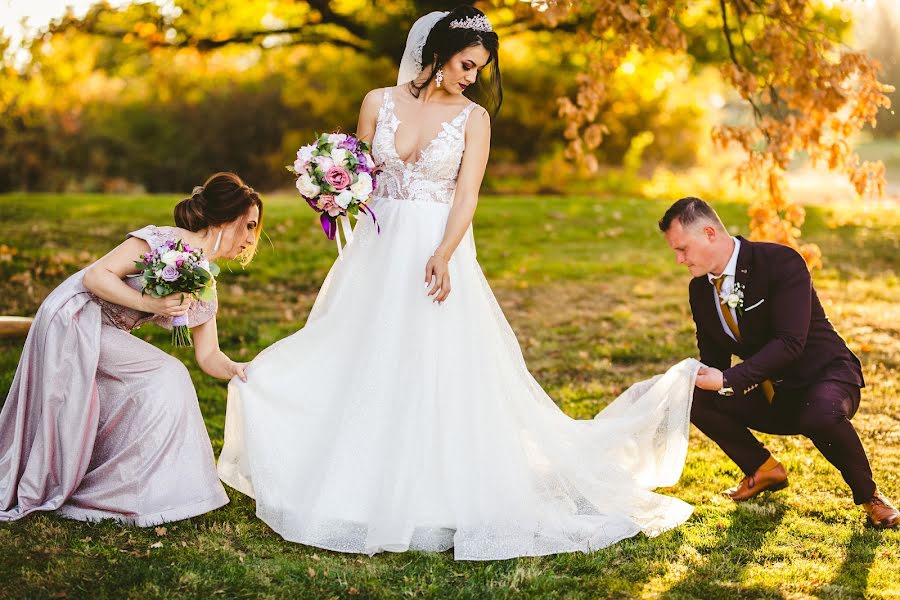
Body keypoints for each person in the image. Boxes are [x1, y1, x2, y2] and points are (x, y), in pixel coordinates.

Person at [217, 7, 699, 560]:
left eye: (479, 70)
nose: (472, 77)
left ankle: (430, 490)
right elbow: (356, 172)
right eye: (467, 65)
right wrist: (331, 191)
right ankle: (348, 475)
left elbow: (467, 194)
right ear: (439, 53)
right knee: (360, 351)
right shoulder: (378, 102)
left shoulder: (474, 120)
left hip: (437, 245)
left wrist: (444, 252)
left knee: (433, 363)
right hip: (377, 248)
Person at [0, 171, 262, 526]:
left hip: (106, 329)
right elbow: (95, 276)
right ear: (226, 219)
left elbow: (209, 356)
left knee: (162, 377)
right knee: (165, 373)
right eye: (248, 225)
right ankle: (129, 487)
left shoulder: (204, 282)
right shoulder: (163, 241)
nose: (250, 239)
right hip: (74, 315)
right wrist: (153, 304)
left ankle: (136, 483)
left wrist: (234, 368)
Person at [660, 196, 899, 529]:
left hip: (825, 377)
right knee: (695, 399)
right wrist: (696, 377)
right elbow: (714, 359)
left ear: (710, 233)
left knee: (820, 414)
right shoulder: (700, 290)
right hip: (774, 393)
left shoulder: (781, 262)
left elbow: (790, 343)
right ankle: (763, 468)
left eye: (682, 249)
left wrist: (728, 381)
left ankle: (870, 496)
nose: (679, 260)